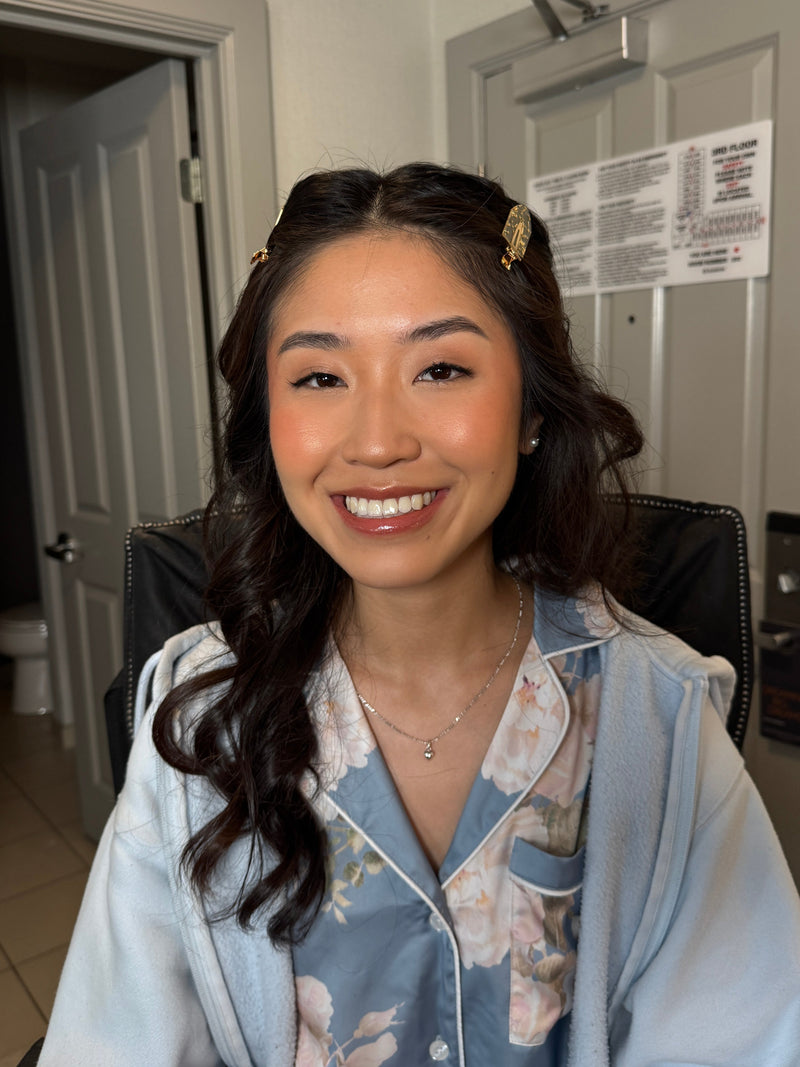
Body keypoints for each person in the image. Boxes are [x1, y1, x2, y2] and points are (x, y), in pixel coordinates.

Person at [40, 163, 800, 1066]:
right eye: (320, 377)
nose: (377, 442)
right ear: (268, 420)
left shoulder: (660, 720)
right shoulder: (202, 728)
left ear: (531, 409)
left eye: (441, 368)